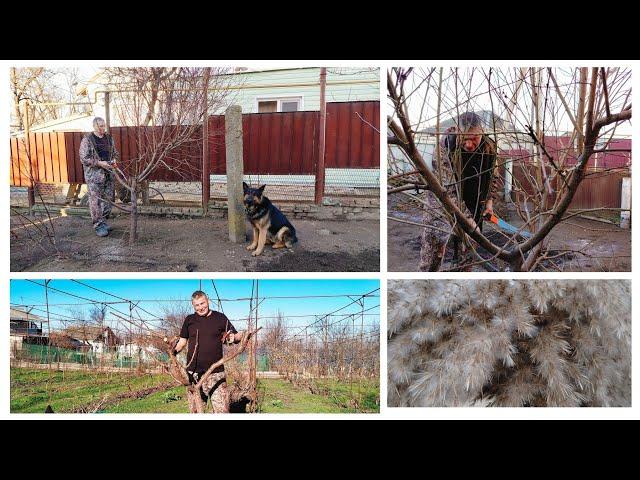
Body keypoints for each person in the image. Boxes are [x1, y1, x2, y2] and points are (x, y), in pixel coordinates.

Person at [419, 111, 500, 271]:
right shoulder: (445, 147)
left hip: (473, 207)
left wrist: (489, 201)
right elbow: (448, 191)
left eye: (474, 139)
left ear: (481, 132)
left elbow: (493, 176)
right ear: (457, 131)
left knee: (467, 261)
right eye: (465, 138)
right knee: (431, 260)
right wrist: (468, 220)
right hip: (441, 210)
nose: (469, 144)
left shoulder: (489, 147)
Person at [173, 291, 245, 413]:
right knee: (195, 411)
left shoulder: (220, 318)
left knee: (222, 411)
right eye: (197, 305)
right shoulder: (189, 320)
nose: (201, 307)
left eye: (203, 303)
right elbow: (182, 341)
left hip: (216, 374)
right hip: (193, 374)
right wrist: (173, 351)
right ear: (193, 306)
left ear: (208, 301)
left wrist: (238, 336)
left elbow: (235, 336)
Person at [79, 117, 118, 237]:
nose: (102, 128)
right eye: (100, 126)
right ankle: (98, 225)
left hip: (108, 174)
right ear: (94, 126)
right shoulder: (88, 140)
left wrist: (114, 160)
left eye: (103, 126)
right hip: (94, 176)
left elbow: (115, 152)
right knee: (95, 201)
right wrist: (99, 163)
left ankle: (103, 221)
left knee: (109, 199)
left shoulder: (109, 138)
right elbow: (84, 158)